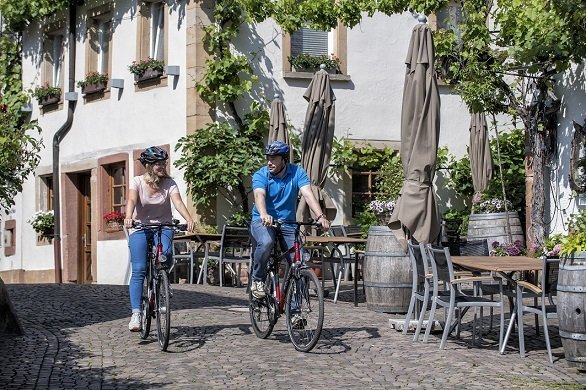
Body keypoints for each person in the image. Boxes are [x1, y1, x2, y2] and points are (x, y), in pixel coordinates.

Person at [123, 146, 195, 332]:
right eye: (158, 163)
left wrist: (188, 219)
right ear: (148, 165)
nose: (162, 166)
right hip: (140, 227)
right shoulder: (137, 182)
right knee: (139, 269)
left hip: (163, 226)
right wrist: (129, 217)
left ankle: (162, 281)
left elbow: (177, 201)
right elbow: (131, 200)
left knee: (167, 254)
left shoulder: (169, 183)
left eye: (163, 163)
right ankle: (136, 314)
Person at [249, 141, 330, 299]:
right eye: (268, 158)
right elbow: (259, 195)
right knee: (266, 242)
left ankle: (295, 312)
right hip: (262, 220)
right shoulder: (261, 174)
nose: (269, 162)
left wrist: (320, 216)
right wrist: (264, 213)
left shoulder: (297, 173)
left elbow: (307, 194)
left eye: (274, 158)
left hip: (287, 223)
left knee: (298, 264)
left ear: (283, 159)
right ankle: (257, 279)